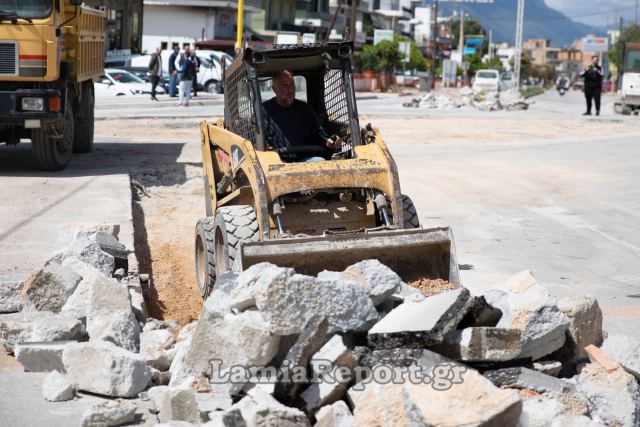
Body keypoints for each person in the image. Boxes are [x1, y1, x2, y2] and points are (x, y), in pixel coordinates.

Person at [263, 70, 340, 162]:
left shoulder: (305, 109)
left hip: (305, 160)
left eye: (292, 84)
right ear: (274, 89)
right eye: (285, 85)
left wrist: (329, 142)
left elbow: (319, 134)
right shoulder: (263, 111)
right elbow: (255, 140)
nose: (290, 89)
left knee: (320, 161)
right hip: (277, 161)